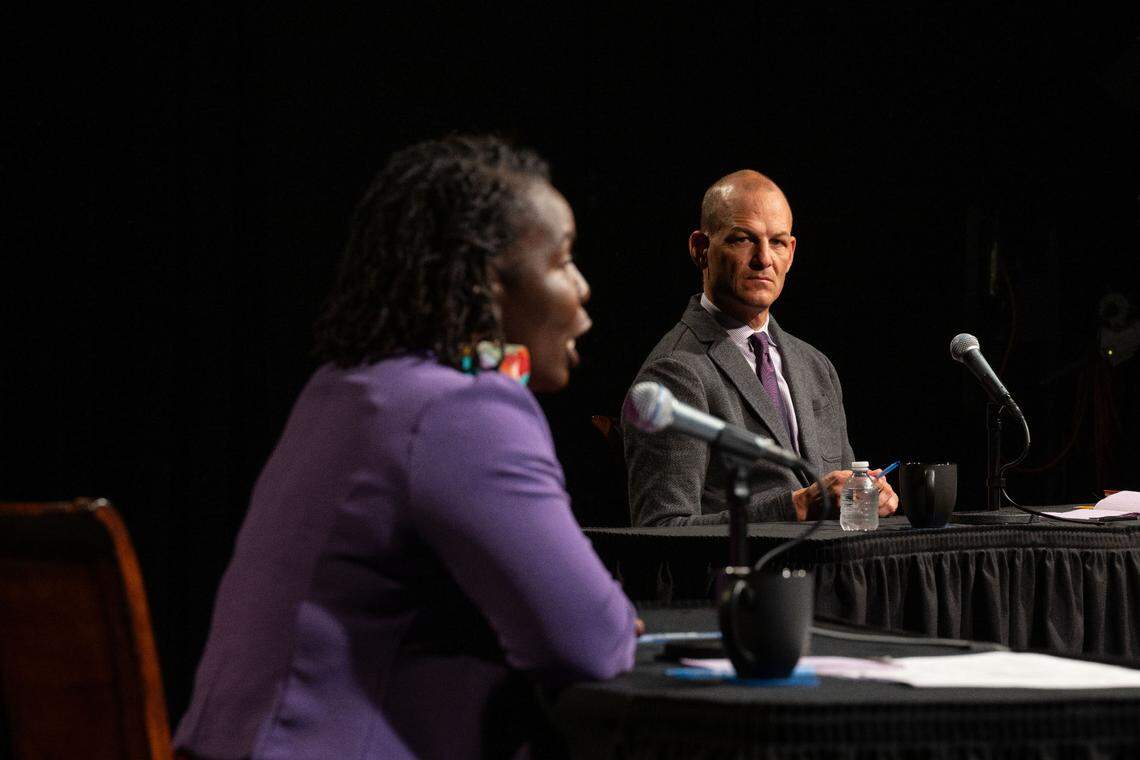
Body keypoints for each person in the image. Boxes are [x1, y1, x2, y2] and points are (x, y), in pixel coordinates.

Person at [174, 136, 638, 759]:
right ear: (486, 283)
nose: (581, 288)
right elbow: (588, 640)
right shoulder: (466, 411)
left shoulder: (341, 385)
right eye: (561, 261)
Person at [623, 170, 898, 526]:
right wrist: (796, 506)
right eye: (743, 239)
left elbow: (838, 501)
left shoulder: (816, 366)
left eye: (778, 242)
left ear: (792, 253)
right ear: (700, 250)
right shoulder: (675, 371)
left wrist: (862, 494)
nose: (764, 259)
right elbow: (661, 529)